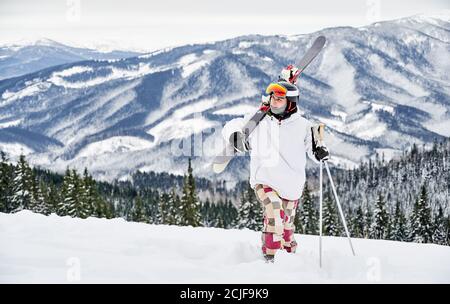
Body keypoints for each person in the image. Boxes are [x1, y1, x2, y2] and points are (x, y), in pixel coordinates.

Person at [221, 65, 330, 263]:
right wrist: (234, 136)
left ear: (290, 103)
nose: (275, 101)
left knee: (287, 228)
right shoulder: (260, 121)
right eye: (272, 97)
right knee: (275, 215)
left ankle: (289, 259)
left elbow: (314, 149)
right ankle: (270, 260)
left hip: (292, 186)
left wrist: (319, 151)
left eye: (280, 98)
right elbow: (233, 124)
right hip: (265, 180)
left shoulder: (303, 126)